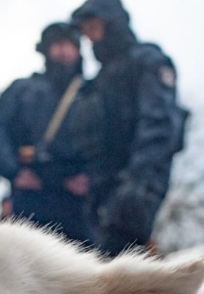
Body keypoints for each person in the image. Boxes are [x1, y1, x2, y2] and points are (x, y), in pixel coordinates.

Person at [71, 0, 186, 256]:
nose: (88, 35)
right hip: (101, 188)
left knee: (120, 268)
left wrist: (137, 182)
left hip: (134, 186)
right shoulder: (99, 79)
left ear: (111, 22)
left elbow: (159, 125)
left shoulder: (147, 61)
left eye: (93, 26)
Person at [0, 22, 93, 244]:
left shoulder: (92, 92)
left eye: (70, 45)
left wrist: (93, 178)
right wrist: (14, 172)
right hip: (31, 194)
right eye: (58, 45)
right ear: (46, 49)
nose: (64, 51)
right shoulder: (22, 89)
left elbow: (110, 141)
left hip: (79, 200)